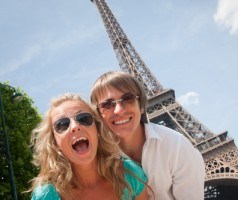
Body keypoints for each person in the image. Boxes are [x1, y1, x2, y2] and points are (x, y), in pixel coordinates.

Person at [90, 71, 206, 200]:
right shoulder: (97, 160)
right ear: (99, 115)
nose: (119, 110)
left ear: (141, 106)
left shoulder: (176, 145)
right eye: (107, 104)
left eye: (128, 99)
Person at [28, 93, 148, 200]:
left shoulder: (130, 173)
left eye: (84, 118)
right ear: (54, 142)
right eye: (62, 124)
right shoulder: (46, 196)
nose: (75, 126)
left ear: (98, 129)